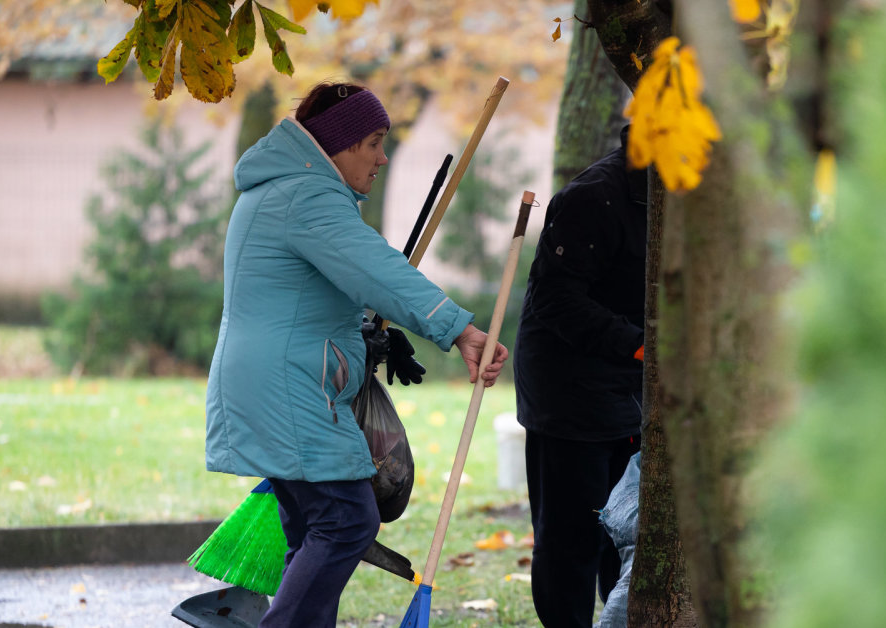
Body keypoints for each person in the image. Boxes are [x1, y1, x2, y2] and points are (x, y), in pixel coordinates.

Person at [204, 82, 508, 628]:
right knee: (346, 520)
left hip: (274, 380)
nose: (381, 156)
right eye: (372, 142)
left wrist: (361, 333)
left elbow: (315, 289)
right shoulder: (307, 196)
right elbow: (374, 267)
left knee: (312, 531)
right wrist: (458, 328)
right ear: (340, 145)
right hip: (289, 387)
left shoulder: (284, 189)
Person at [513, 125, 647, 628]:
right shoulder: (595, 198)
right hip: (568, 393)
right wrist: (638, 344)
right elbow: (555, 299)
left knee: (626, 531)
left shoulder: (685, 191)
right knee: (571, 538)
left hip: (630, 387)